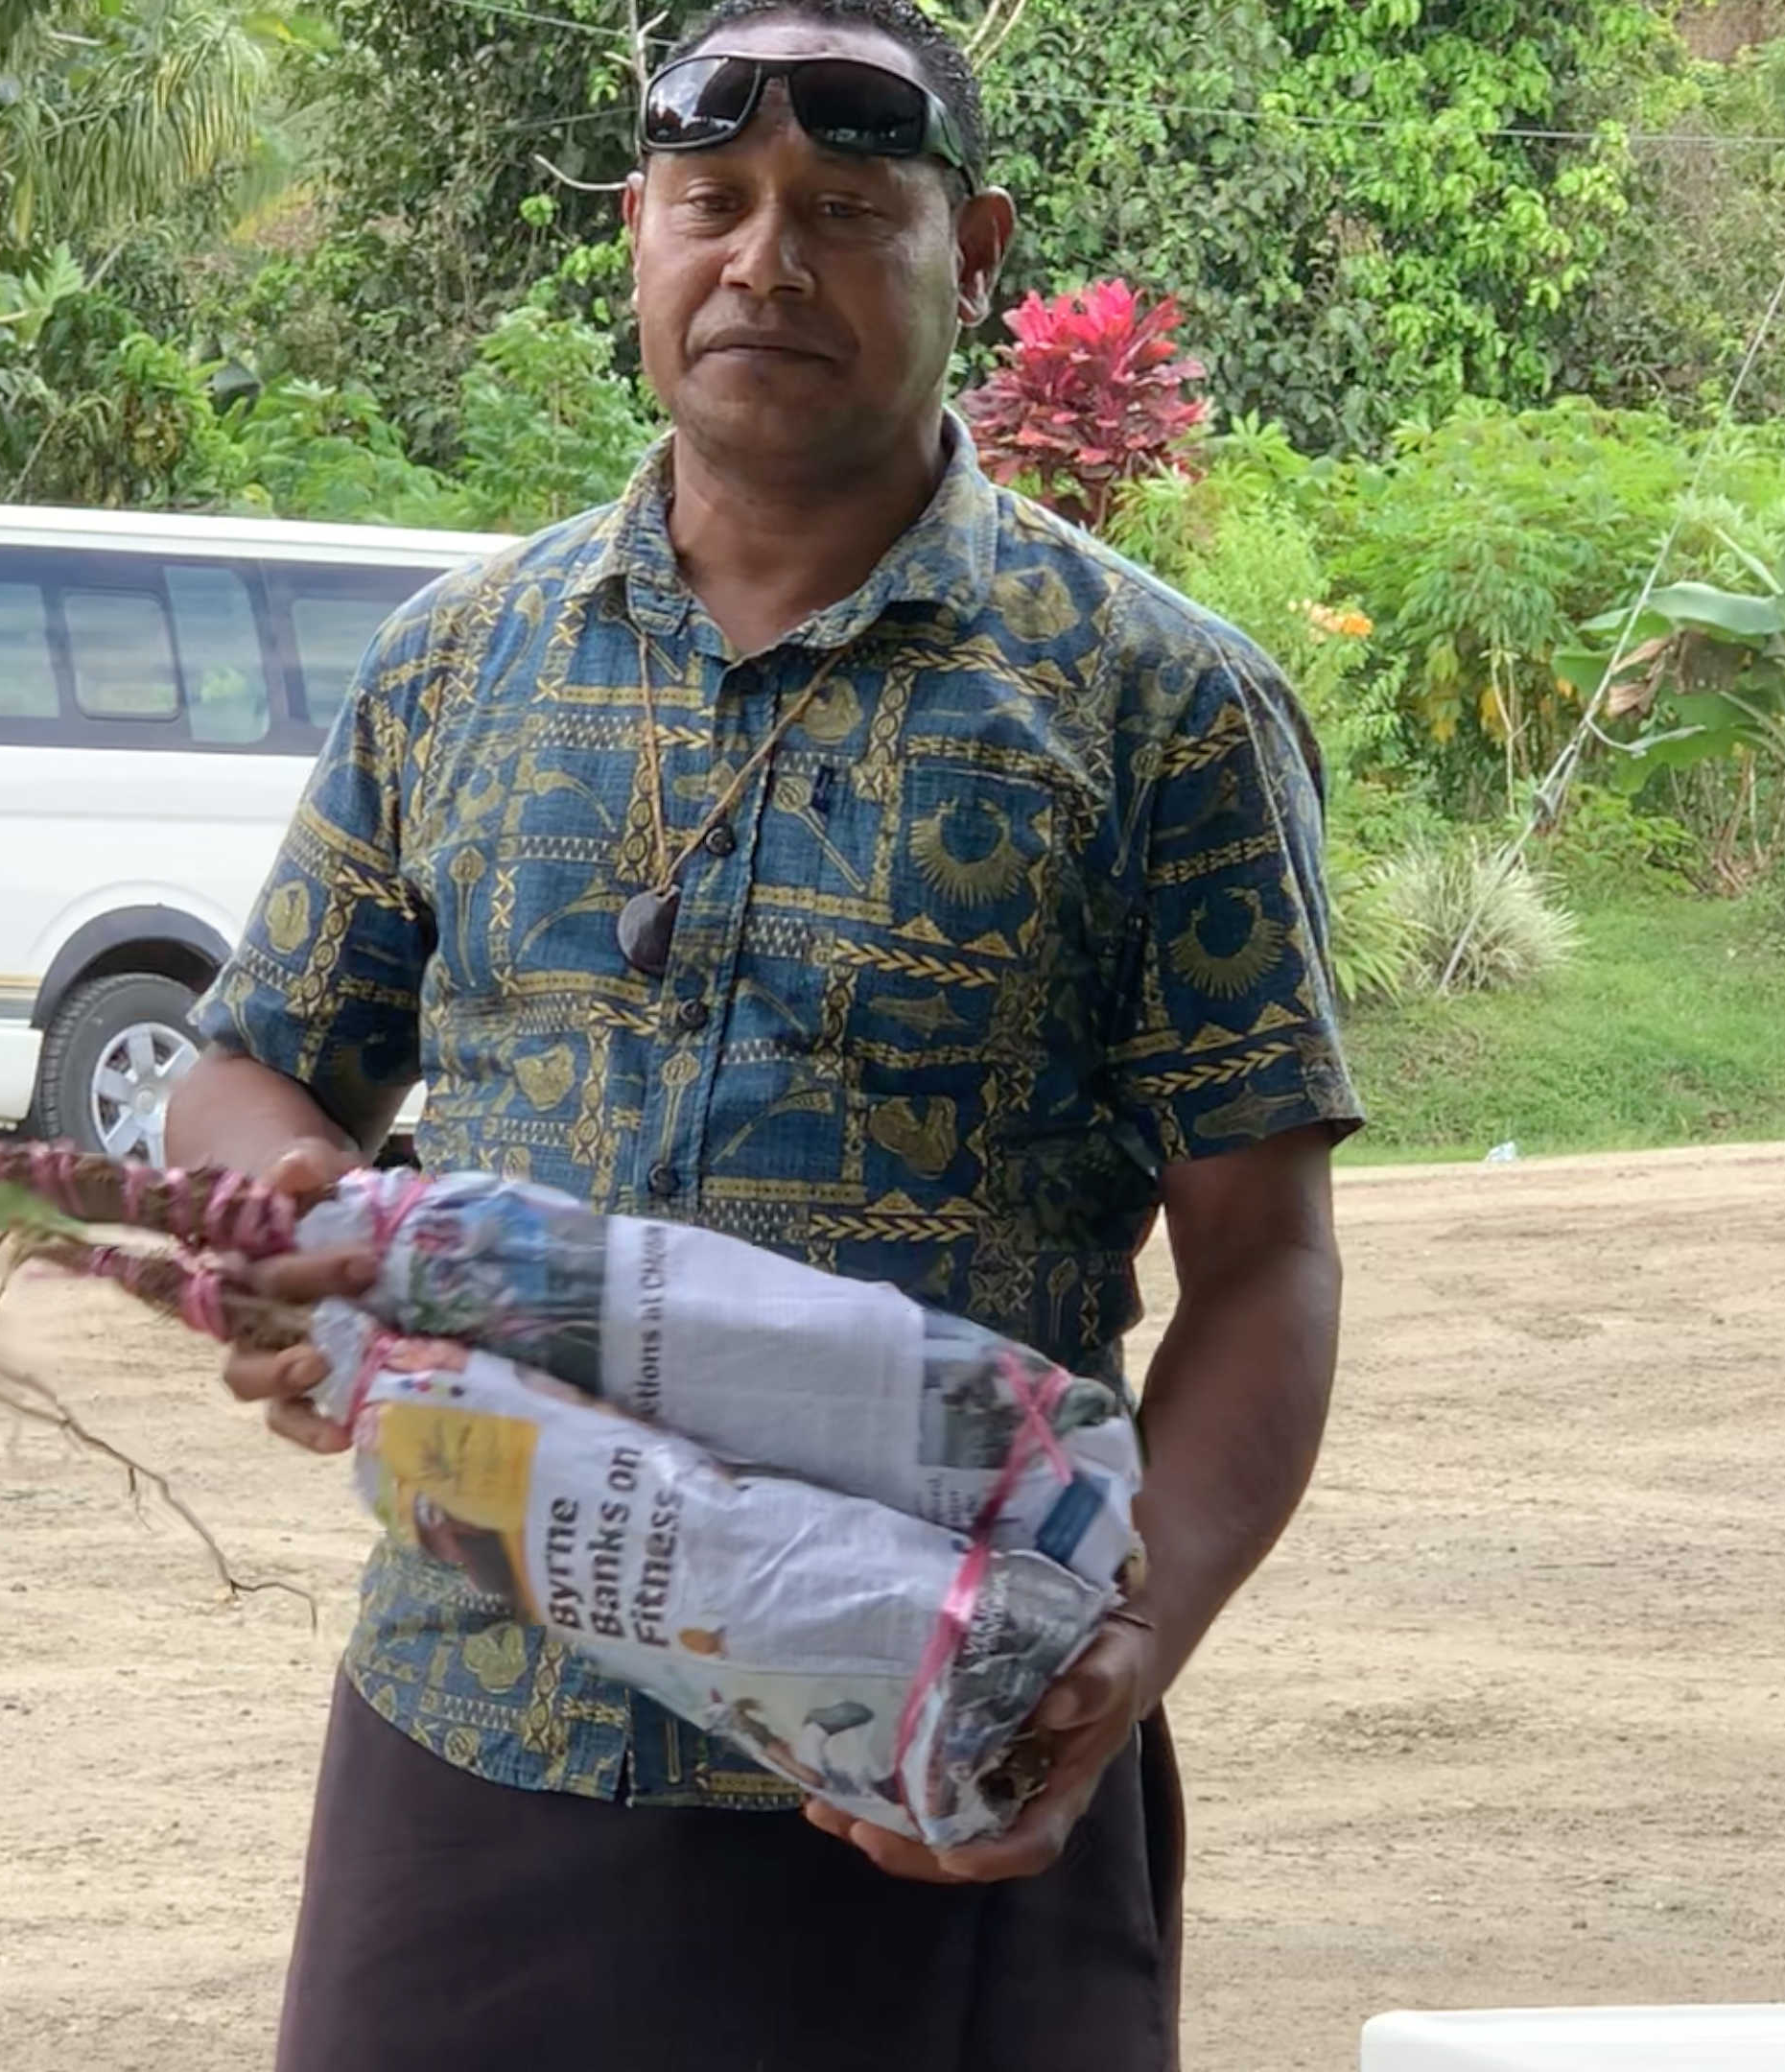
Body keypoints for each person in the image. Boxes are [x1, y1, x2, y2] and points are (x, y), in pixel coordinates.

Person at [163, 4, 1357, 2064]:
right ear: (638, 231)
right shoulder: (464, 662)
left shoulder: (1156, 709)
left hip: (930, 1774)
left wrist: (1122, 1649)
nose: (767, 262)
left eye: (847, 210)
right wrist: (292, 1211)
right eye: (713, 204)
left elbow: (1265, 1257)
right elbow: (250, 1054)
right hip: (478, 1727)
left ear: (973, 248)